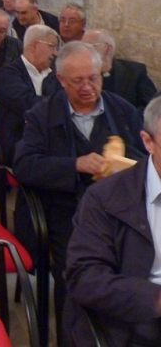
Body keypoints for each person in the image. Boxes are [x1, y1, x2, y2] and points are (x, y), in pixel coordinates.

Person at [13, 41, 146, 343]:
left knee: (141, 265)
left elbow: (147, 158)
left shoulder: (121, 110)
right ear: (61, 80)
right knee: (80, 270)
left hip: (121, 212)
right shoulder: (42, 115)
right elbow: (24, 164)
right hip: (66, 211)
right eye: (77, 81)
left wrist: (124, 165)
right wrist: (75, 164)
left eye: (94, 78)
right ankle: (74, 337)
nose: (88, 87)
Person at [64, 95, 161, 346]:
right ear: (148, 142)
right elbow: (84, 276)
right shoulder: (105, 198)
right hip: (138, 320)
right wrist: (155, 299)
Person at [0, 24, 61, 165]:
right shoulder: (7, 74)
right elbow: (29, 105)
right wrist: (57, 105)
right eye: (51, 46)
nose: (55, 53)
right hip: (21, 142)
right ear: (35, 45)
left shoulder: (54, 76)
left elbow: (65, 102)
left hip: (52, 138)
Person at [83, 28, 157, 112]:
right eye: (82, 46)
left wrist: (127, 120)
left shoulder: (134, 72)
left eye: (89, 46)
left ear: (107, 49)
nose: (84, 51)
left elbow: (152, 108)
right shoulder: (79, 74)